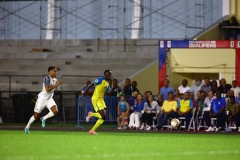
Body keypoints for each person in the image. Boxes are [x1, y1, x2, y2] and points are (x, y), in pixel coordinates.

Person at [24, 66, 62, 134]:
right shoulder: (46, 78)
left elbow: (51, 90)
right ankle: (27, 127)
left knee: (55, 111)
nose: (56, 72)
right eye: (54, 71)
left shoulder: (55, 79)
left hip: (49, 98)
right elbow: (47, 90)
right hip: (42, 98)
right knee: (36, 115)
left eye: (56, 71)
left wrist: (55, 85)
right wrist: (56, 85)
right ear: (50, 71)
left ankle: (43, 118)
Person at [84, 70, 113, 135]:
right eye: (108, 74)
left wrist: (112, 88)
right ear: (105, 74)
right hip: (96, 99)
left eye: (110, 74)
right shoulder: (100, 79)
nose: (109, 75)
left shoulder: (107, 83)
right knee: (103, 116)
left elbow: (108, 94)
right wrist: (86, 91)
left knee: (103, 117)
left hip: (101, 100)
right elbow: (92, 84)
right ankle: (91, 115)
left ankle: (92, 130)